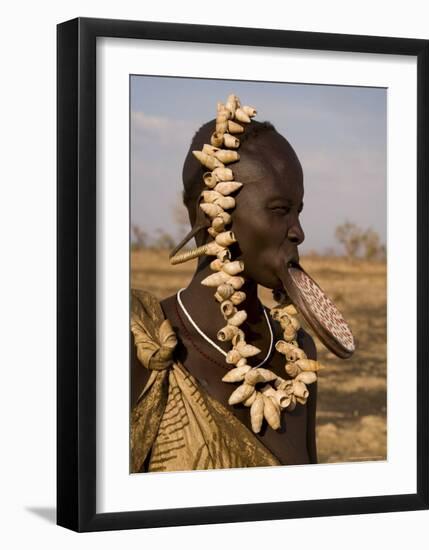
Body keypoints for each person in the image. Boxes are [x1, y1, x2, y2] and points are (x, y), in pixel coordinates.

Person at [130, 95, 318, 473]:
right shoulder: (143, 344)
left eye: (298, 211)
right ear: (209, 212)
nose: (298, 231)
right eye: (280, 210)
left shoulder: (297, 352)